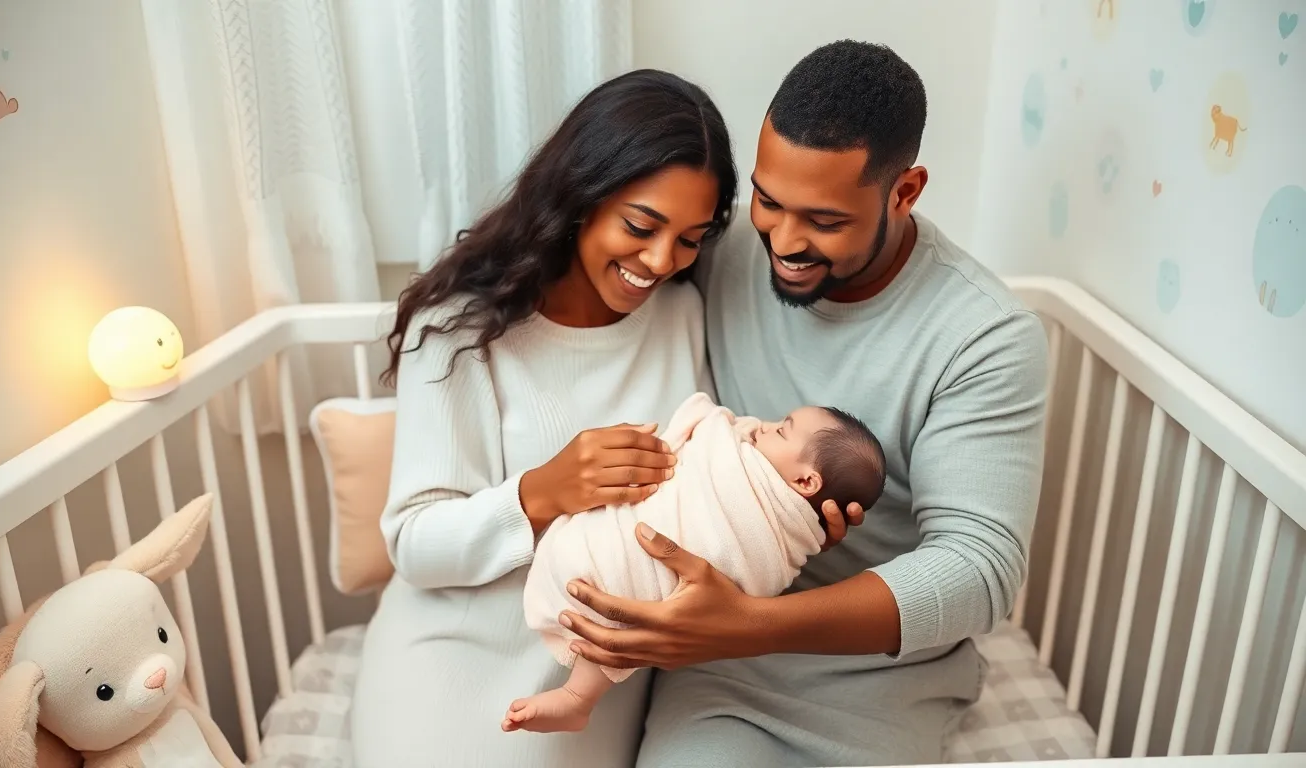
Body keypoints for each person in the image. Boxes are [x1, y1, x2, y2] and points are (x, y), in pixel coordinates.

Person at [560, 40, 1051, 767]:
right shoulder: (720, 250)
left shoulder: (984, 337)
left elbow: (980, 570)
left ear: (905, 191)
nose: (783, 241)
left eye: (824, 220)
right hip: (720, 666)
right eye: (767, 200)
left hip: (876, 673)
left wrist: (751, 623)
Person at [347, 69, 737, 768]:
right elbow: (414, 544)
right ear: (581, 195)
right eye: (641, 226)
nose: (659, 261)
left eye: (690, 238)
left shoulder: (682, 314)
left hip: (589, 677)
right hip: (450, 656)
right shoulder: (459, 329)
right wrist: (541, 493)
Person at [504, 392, 886, 734]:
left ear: (805, 482)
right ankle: (579, 696)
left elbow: (753, 565)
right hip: (624, 557)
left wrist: (712, 424)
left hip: (643, 575)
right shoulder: (774, 487)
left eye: (781, 431)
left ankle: (577, 698)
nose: (764, 426)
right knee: (620, 617)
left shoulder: (780, 521)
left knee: (626, 611)